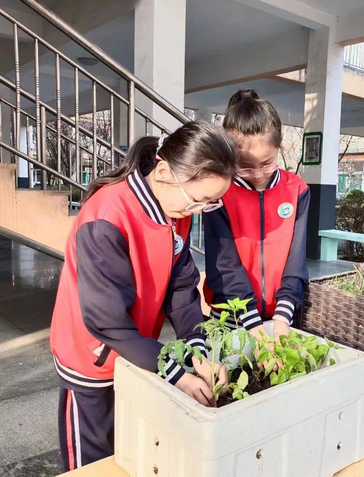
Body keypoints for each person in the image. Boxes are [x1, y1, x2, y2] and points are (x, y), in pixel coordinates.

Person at [50, 120, 235, 471]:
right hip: (91, 358)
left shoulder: (174, 209)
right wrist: (176, 373)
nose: (199, 211)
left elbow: (181, 289)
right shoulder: (107, 215)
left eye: (210, 204)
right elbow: (106, 321)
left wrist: (198, 352)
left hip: (136, 353)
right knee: (90, 464)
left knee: (126, 449)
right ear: (164, 171)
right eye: (199, 200)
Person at [203, 89, 310, 344]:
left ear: (280, 141)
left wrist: (284, 316)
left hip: (282, 315)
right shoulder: (220, 192)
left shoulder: (297, 190)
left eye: (267, 162)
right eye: (245, 166)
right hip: (230, 315)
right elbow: (224, 264)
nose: (258, 173)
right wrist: (250, 320)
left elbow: (296, 260)